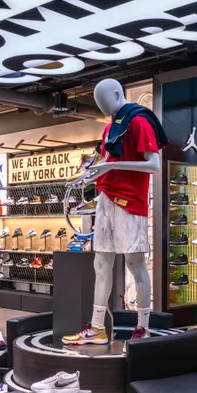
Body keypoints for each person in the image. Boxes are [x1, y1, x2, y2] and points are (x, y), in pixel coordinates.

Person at [64, 79, 167, 345]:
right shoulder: (111, 127)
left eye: (103, 98)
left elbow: (154, 164)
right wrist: (88, 176)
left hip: (130, 202)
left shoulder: (139, 121)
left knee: (136, 264)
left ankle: (142, 327)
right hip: (106, 198)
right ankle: (97, 327)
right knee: (101, 264)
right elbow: (106, 161)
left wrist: (111, 167)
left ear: (117, 93)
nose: (100, 104)